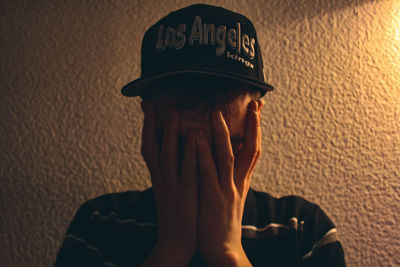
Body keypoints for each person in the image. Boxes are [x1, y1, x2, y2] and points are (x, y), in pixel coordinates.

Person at [55, 4, 346, 267]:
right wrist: (171, 251)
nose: (202, 165)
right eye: (180, 146)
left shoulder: (304, 230)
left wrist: (228, 253)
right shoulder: (99, 226)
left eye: (227, 148)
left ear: (256, 123)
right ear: (148, 118)